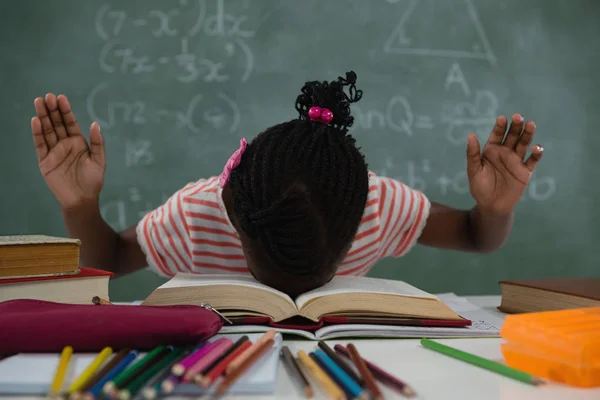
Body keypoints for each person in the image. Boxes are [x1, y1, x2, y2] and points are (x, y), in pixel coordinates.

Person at [31, 71, 543, 297]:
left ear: (363, 218)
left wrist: (493, 210)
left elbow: (479, 237)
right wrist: (80, 204)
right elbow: (111, 261)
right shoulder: (196, 213)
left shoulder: (377, 203)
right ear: (232, 215)